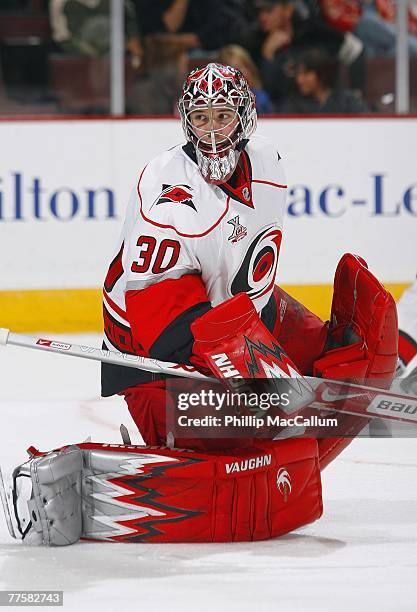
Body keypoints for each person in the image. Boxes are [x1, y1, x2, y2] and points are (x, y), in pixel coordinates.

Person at [101, 62, 397, 465]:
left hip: (238, 312)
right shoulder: (167, 197)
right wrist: (249, 372)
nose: (211, 131)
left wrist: (269, 355)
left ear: (245, 117)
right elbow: (162, 321)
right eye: (200, 118)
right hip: (150, 349)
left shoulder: (267, 160)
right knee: (229, 433)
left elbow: (247, 258)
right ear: (185, 122)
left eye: (222, 117)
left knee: (334, 359)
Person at [283, 47, 369, 114]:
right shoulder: (293, 105)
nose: (299, 80)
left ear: (321, 73)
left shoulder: (348, 102)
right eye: (298, 74)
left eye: (306, 74)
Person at [217, 44, 273, 114]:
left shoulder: (261, 97)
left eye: (246, 66)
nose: (245, 72)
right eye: (237, 68)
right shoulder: (214, 103)